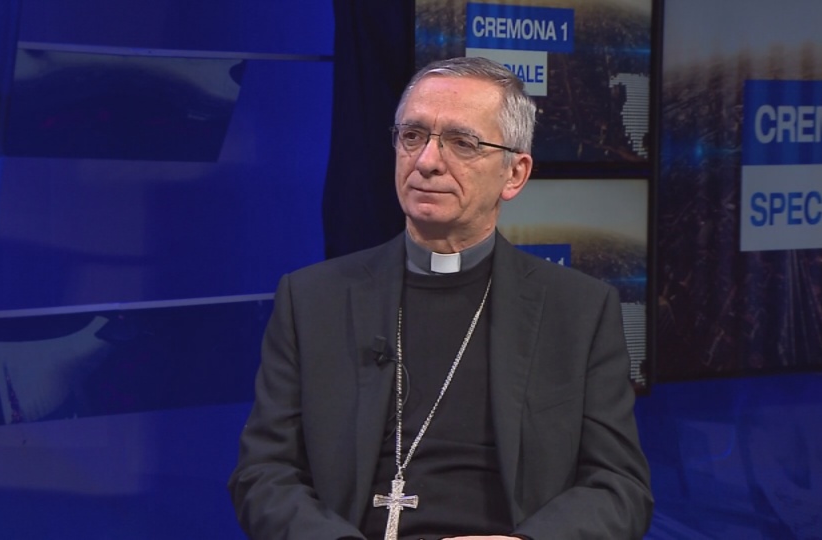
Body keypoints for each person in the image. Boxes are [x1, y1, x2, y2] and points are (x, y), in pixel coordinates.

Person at [229, 56, 653, 539]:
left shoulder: (578, 311)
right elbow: (262, 473)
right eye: (412, 136)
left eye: (462, 142)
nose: (427, 161)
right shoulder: (311, 300)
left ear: (514, 174)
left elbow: (620, 487)